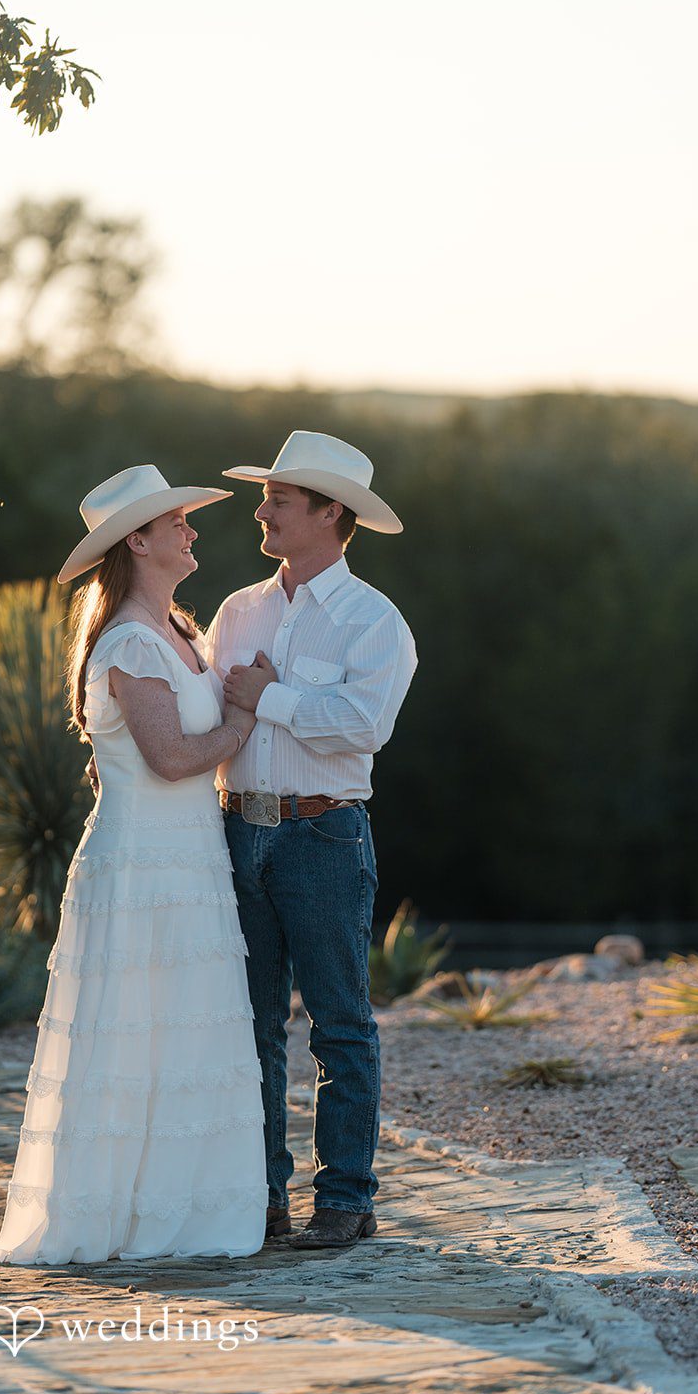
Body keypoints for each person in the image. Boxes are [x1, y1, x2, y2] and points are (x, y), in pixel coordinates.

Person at [0, 465, 266, 1265]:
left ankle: (182, 1211)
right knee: (135, 1036)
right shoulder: (128, 642)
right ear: (137, 540)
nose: (191, 530)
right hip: (141, 868)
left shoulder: (178, 629)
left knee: (181, 1034)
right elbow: (174, 758)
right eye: (177, 521)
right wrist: (243, 713)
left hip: (187, 863)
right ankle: (125, 1217)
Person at [205, 430, 417, 1250]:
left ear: (331, 514)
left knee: (338, 1024)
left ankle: (344, 1202)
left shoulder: (374, 621)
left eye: (279, 501)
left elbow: (363, 727)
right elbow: (209, 715)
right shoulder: (238, 610)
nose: (262, 511)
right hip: (235, 831)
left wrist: (271, 695)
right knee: (248, 1026)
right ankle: (259, 1199)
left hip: (323, 834)